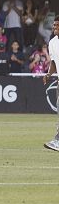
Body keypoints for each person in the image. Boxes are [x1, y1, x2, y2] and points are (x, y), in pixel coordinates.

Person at [43, 17, 59, 152]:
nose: (54, 27)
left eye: (57, 25)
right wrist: (49, 75)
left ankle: (58, 140)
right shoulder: (53, 42)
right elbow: (53, 62)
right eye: (54, 25)